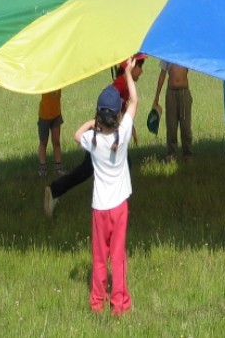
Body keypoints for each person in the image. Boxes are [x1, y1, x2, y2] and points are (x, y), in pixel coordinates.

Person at [74, 57, 138, 316]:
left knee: (100, 259)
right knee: (118, 257)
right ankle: (119, 304)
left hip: (99, 209)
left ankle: (96, 302)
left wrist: (92, 124)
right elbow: (134, 100)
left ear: (98, 114)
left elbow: (76, 134)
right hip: (119, 207)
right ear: (118, 114)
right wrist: (128, 73)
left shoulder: (92, 140)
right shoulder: (122, 137)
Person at [44, 55, 146, 217]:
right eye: (140, 66)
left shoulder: (123, 83)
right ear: (131, 68)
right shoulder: (121, 84)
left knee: (91, 169)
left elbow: (121, 108)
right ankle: (56, 190)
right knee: (99, 168)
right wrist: (104, 126)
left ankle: (56, 189)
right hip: (103, 133)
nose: (142, 71)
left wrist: (128, 126)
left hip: (104, 130)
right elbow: (110, 107)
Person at [152, 60, 192, 160]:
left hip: (184, 92)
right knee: (171, 125)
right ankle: (171, 153)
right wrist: (157, 97)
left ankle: (188, 153)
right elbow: (162, 75)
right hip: (171, 93)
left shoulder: (186, 53)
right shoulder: (168, 55)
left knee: (185, 126)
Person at [37, 90, 65, 178]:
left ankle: (58, 167)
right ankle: (42, 168)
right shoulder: (46, 83)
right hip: (44, 117)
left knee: (56, 141)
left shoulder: (58, 81)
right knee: (43, 142)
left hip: (56, 115)